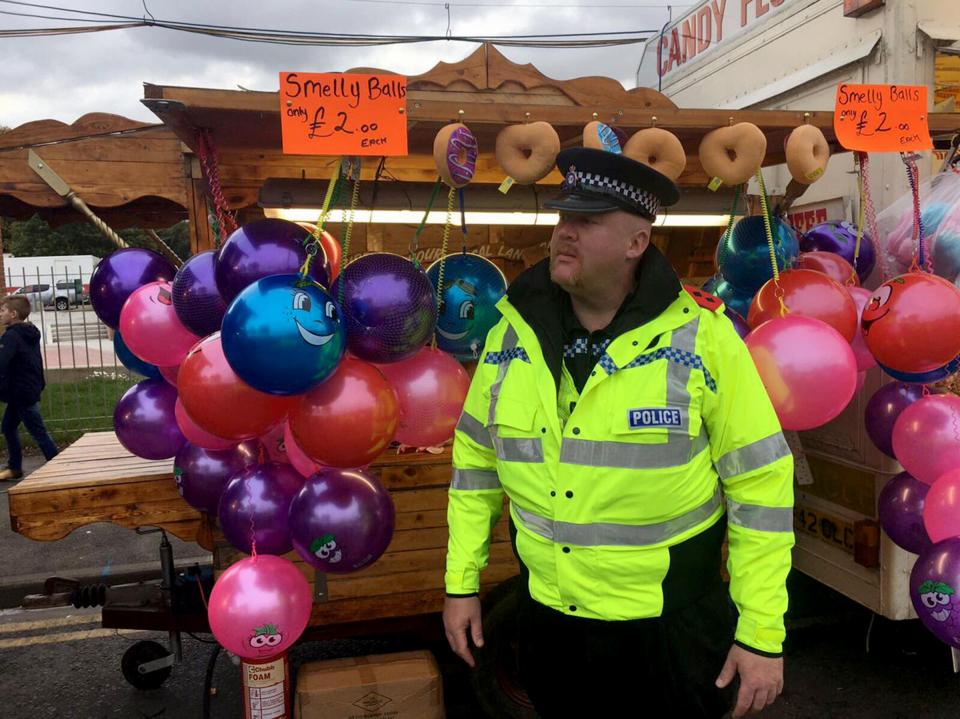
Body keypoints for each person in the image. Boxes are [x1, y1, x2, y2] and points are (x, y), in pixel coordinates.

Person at [443, 147, 794, 718]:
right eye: (563, 218)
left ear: (636, 243)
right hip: (550, 625)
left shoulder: (702, 339)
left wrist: (760, 631)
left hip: (668, 633)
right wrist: (461, 582)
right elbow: (475, 467)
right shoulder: (511, 334)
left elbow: (762, 489)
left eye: (587, 221)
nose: (565, 234)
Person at [0, 295, 58, 480]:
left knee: (38, 432)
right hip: (25, 389)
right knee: (8, 427)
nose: (0, 314)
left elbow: (2, 363)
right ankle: (15, 468)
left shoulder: (12, 336)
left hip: (21, 392)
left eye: (3, 310)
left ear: (13, 314)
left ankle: (57, 466)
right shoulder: (29, 332)